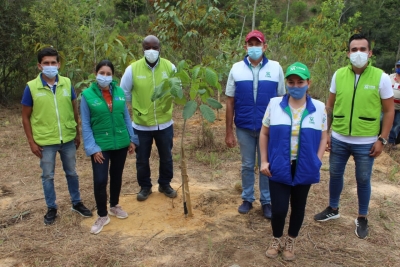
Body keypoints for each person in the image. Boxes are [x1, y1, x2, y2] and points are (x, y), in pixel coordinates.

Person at [314, 33, 394, 239]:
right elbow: (329, 106)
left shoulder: (381, 77)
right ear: (348, 53)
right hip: (339, 138)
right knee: (334, 174)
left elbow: (389, 110)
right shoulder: (338, 75)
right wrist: (327, 133)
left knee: (363, 178)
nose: (358, 53)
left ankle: (362, 216)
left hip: (366, 141)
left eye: (362, 49)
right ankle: (333, 208)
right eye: (354, 49)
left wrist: (382, 139)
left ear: (370, 53)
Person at [260, 62, 328, 261]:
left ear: (309, 83)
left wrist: (317, 161)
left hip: (305, 166)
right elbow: (264, 134)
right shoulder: (274, 104)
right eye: (291, 82)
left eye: (300, 82)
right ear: (286, 83)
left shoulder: (319, 108)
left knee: (299, 206)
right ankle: (276, 238)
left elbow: (324, 137)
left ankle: (291, 240)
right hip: (278, 165)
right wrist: (264, 161)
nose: (296, 86)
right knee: (279, 208)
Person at [21, 47, 92, 225]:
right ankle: (51, 208)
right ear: (39, 66)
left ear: (59, 64)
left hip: (67, 138)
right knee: (47, 176)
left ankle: (77, 203)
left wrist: (77, 133)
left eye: (53, 62)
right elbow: (25, 117)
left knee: (72, 173)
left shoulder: (67, 83)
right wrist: (31, 142)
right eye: (46, 63)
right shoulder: (31, 88)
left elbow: (74, 109)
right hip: (45, 142)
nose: (50, 66)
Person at [225, 30, 285, 218]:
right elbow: (230, 101)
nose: (254, 48)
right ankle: (247, 198)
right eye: (250, 44)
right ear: (245, 47)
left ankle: (266, 201)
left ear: (264, 47)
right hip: (243, 126)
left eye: (257, 44)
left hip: (268, 129)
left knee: (266, 164)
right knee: (247, 164)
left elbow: (282, 99)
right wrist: (228, 131)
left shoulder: (276, 68)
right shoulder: (236, 69)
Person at [81, 60, 139, 234]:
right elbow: (85, 124)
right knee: (100, 180)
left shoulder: (120, 92)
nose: (105, 77)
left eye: (108, 74)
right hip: (100, 145)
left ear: (112, 76)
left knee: (116, 175)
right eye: (102, 73)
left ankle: (114, 205)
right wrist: (92, 148)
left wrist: (132, 138)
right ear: (95, 73)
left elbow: (126, 117)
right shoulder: (87, 95)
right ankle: (102, 215)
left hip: (120, 142)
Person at [120, 35, 177, 201]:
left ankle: (165, 184)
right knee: (142, 159)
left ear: (160, 49)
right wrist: (139, 107)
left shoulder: (170, 67)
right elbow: (124, 93)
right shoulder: (133, 69)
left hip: (164, 123)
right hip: (141, 125)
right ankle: (145, 187)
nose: (151, 51)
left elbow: (176, 88)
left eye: (154, 47)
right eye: (147, 48)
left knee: (166, 156)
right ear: (143, 49)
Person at [388, 60, 400, 148]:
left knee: (396, 124)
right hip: (388, 106)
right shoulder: (390, 77)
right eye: (398, 66)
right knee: (382, 121)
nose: (399, 68)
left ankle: (391, 142)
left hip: (399, 108)